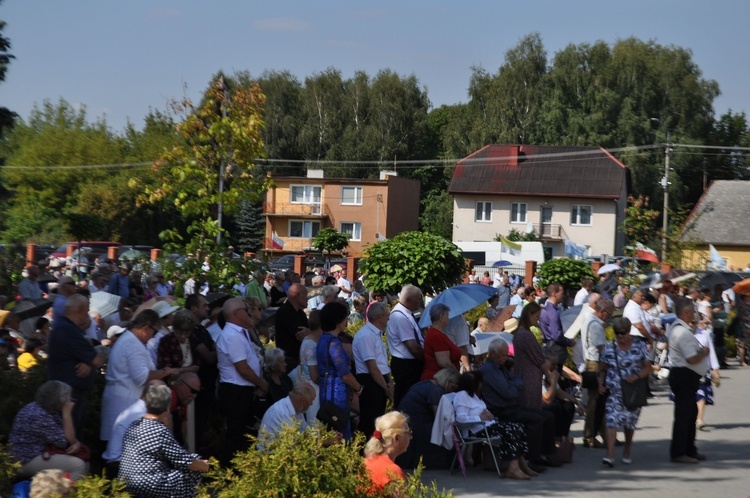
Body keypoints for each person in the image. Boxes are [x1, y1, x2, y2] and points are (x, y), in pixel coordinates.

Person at [119, 384, 209, 498]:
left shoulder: (134, 425)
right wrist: (206, 466)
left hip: (126, 480)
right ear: (167, 407)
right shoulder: (159, 431)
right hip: (148, 483)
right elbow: (184, 461)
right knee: (194, 466)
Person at [480, 338, 556, 470]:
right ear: (493, 354)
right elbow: (509, 392)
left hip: (511, 407)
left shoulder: (501, 368)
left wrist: (512, 385)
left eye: (506, 354)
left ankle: (544, 455)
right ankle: (532, 459)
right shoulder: (489, 370)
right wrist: (513, 385)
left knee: (548, 416)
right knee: (535, 420)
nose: (506, 357)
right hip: (500, 411)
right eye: (503, 355)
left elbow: (518, 381)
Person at [101, 310, 175, 442]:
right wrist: (165, 372)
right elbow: (141, 377)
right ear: (145, 328)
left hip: (125, 400)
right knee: (121, 447)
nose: (153, 337)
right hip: (124, 402)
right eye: (155, 332)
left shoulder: (132, 341)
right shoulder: (132, 343)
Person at [453, 371, 535, 479]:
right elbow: (460, 418)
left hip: (487, 425)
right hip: (477, 430)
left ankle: (520, 463)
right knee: (512, 430)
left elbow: (479, 410)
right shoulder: (462, 396)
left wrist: (488, 414)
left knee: (519, 426)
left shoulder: (473, 395)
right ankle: (513, 468)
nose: (481, 385)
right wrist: (479, 418)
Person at [216, 298, 269, 462]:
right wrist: (262, 383)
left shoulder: (241, 331)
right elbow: (243, 368)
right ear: (237, 314)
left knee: (244, 434)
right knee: (236, 434)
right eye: (246, 310)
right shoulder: (231, 335)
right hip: (235, 391)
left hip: (244, 389)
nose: (249, 313)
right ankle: (228, 474)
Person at [47, 294, 106, 439]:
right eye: (87, 311)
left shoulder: (66, 327)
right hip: (68, 398)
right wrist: (93, 358)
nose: (88, 316)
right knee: (70, 441)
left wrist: (88, 363)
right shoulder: (66, 330)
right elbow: (97, 359)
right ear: (80, 310)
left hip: (71, 395)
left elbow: (91, 359)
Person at [598, 317, 652, 467]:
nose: (620, 336)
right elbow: (602, 368)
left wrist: (636, 376)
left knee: (630, 424)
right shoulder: (609, 347)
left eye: (622, 333)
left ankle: (627, 449)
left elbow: (648, 368)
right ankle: (609, 455)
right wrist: (600, 383)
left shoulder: (639, 346)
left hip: (633, 392)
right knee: (611, 421)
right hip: (614, 392)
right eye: (617, 333)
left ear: (628, 331)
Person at [9, 381, 88, 481]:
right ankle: (63, 494)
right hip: (24, 460)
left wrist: (76, 443)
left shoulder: (44, 408)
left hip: (35, 453)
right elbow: (67, 443)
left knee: (85, 462)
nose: (70, 400)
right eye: (67, 397)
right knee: (78, 465)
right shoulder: (39, 415)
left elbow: (67, 438)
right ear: (58, 399)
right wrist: (67, 413)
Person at [667, 297, 711, 464]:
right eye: (692, 310)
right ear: (685, 312)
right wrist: (704, 353)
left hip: (686, 376)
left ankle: (689, 449)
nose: (694, 313)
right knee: (684, 416)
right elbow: (691, 359)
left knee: (690, 414)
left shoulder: (681, 329)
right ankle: (679, 452)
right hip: (684, 375)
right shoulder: (682, 332)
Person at [396, 368, 459, 469]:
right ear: (448, 381)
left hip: (406, 420)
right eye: (453, 386)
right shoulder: (435, 391)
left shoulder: (424, 384)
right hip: (417, 423)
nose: (452, 390)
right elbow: (438, 416)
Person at [316, 301, 362, 441]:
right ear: (337, 321)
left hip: (326, 388)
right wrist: (358, 388)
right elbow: (345, 374)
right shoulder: (334, 342)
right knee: (339, 427)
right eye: (344, 317)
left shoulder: (322, 339)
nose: (346, 320)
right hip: (336, 391)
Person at [102, 379, 166, 474]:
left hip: (123, 464)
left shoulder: (136, 410)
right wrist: (167, 420)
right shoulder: (140, 415)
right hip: (120, 467)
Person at [353, 302, 394, 438]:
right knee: (370, 421)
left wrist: (389, 382)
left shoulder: (375, 334)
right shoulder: (366, 335)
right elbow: (372, 367)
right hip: (371, 382)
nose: (389, 318)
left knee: (378, 420)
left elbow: (381, 362)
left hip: (379, 380)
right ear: (380, 317)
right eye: (387, 315)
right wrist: (386, 388)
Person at [581, 298, 615, 448]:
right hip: (595, 364)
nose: (609, 317)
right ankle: (589, 436)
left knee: (599, 402)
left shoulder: (590, 320)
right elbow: (601, 349)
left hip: (592, 363)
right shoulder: (595, 325)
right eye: (609, 314)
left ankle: (602, 433)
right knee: (594, 403)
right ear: (602, 312)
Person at [386, 285, 425, 408]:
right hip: (407, 365)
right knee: (405, 399)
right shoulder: (400, 317)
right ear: (408, 300)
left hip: (410, 364)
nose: (420, 301)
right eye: (418, 299)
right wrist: (428, 359)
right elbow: (413, 347)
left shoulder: (406, 313)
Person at [513, 302, 554, 410]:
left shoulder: (519, 333)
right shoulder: (526, 334)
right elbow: (540, 360)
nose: (538, 319)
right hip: (530, 378)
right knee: (533, 410)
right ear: (529, 315)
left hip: (524, 375)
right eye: (536, 317)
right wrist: (550, 375)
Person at [363, 411, 411, 493]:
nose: (411, 437)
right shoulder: (392, 471)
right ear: (396, 438)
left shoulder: (364, 463)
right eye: (409, 433)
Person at [274, 283, 310, 372]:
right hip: (289, 361)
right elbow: (300, 334)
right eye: (306, 295)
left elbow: (308, 330)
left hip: (298, 358)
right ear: (298, 295)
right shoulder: (285, 311)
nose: (307, 298)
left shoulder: (300, 312)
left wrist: (309, 332)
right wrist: (310, 333)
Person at [421, 304, 461, 381]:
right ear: (441, 317)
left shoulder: (437, 333)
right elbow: (444, 363)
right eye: (447, 315)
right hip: (438, 380)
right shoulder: (435, 335)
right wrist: (458, 376)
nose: (448, 318)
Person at [693, 317, 721, 431]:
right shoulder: (682, 333)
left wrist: (715, 369)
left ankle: (699, 419)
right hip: (687, 369)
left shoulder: (704, 334)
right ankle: (692, 418)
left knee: (702, 393)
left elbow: (711, 352)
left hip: (703, 369)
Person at [156, 309, 201, 376]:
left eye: (187, 333)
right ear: (174, 329)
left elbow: (197, 367)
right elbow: (165, 370)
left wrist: (178, 370)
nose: (183, 336)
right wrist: (188, 369)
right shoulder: (166, 341)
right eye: (180, 332)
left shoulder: (193, 338)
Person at [296, 309, 322, 420]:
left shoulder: (308, 340)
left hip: (309, 385)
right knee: (316, 422)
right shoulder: (312, 346)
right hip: (313, 389)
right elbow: (314, 375)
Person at [540, 283, 574, 369]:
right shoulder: (552, 313)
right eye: (562, 293)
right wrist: (569, 342)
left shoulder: (546, 310)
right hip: (554, 350)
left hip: (548, 347)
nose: (563, 295)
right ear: (554, 294)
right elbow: (556, 336)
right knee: (555, 376)